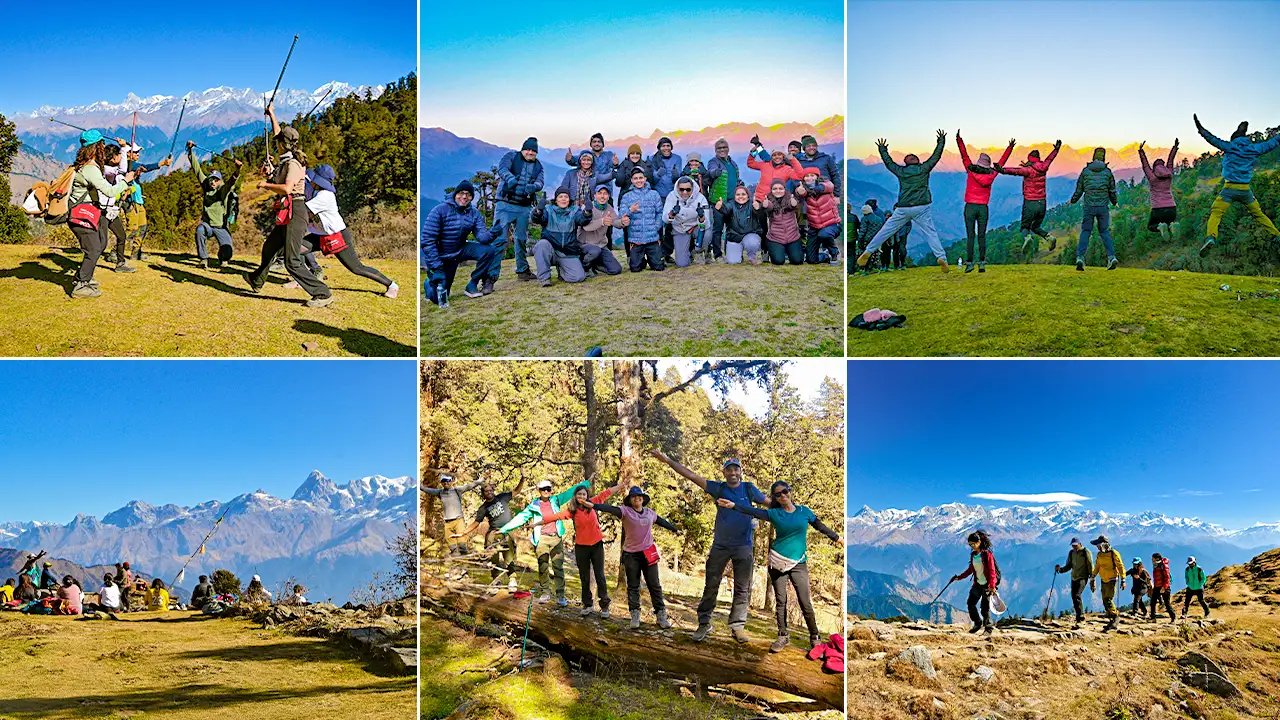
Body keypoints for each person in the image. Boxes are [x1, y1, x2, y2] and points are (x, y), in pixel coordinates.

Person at [649, 449, 767, 643]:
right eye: (729, 470)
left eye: (736, 469)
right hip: (720, 545)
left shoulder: (749, 489)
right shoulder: (718, 488)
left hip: (744, 546)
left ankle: (737, 626)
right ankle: (704, 623)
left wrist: (788, 505)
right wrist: (668, 460)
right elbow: (691, 475)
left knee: (742, 588)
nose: (733, 473)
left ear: (740, 471)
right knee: (711, 584)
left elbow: (769, 503)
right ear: (724, 473)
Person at [718, 480, 840, 651]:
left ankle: (815, 638)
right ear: (775, 497)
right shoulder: (774, 513)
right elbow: (752, 511)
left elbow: (820, 526)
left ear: (790, 491)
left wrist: (838, 538)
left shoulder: (804, 511)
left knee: (805, 602)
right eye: (778, 494)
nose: (783, 495)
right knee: (781, 601)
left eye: (785, 491)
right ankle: (782, 636)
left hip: (798, 563)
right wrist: (733, 505)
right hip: (777, 562)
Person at [245, 104, 333, 307]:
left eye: (278, 143)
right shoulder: (286, 156)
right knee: (269, 247)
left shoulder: (293, 164)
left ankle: (322, 293)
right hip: (289, 212)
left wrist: (266, 184)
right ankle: (256, 280)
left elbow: (287, 188)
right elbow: (278, 134)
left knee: (291, 260)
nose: (276, 144)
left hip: (295, 211)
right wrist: (272, 114)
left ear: (283, 145)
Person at [299, 165, 398, 297]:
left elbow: (303, 210)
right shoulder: (314, 189)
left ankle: (391, 285)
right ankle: (301, 279)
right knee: (295, 249)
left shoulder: (325, 196)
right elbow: (302, 182)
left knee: (356, 268)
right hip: (320, 234)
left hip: (338, 236)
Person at [857, 131, 950, 271]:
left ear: (905, 163)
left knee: (886, 230)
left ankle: (869, 251)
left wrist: (882, 149)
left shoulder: (901, 171)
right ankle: (941, 257)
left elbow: (889, 163)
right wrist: (941, 141)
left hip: (903, 207)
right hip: (922, 207)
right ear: (917, 161)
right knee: (931, 233)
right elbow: (936, 156)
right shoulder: (924, 169)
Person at [532, 480, 626, 616]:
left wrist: (621, 486)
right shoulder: (573, 510)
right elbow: (554, 517)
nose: (581, 497)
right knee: (584, 577)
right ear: (575, 497)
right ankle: (587, 605)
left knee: (600, 576)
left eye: (583, 494)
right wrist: (536, 524)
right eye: (579, 495)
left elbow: (607, 493)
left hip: (596, 545)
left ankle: (605, 606)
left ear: (587, 496)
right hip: (581, 547)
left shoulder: (594, 503)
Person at [592, 487, 678, 630]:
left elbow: (662, 521)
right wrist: (593, 505)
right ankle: (635, 614)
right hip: (631, 555)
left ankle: (661, 615)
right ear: (630, 500)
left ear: (643, 499)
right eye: (633, 497)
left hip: (648, 553)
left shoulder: (650, 513)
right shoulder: (625, 512)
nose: (637, 498)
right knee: (633, 585)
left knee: (654, 584)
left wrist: (674, 529)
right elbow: (609, 508)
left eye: (639, 496)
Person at [1194, 115, 1280, 256]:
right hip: (1245, 190)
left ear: (1233, 138)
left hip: (1229, 190)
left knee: (1216, 213)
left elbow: (1212, 139)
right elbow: (1272, 143)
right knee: (1259, 214)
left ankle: (1210, 237)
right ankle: (1276, 234)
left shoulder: (1230, 147)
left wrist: (1200, 128)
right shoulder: (1254, 148)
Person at [499, 479, 590, 606]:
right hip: (541, 538)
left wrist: (586, 483)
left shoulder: (556, 499)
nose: (546, 491)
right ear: (539, 491)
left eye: (548, 489)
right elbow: (520, 518)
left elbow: (571, 492)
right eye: (543, 489)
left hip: (556, 538)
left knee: (558, 567)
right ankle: (545, 592)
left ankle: (560, 595)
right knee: (543, 567)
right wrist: (504, 529)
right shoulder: (534, 505)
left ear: (551, 490)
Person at [66, 131, 135, 298]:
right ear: (96, 147)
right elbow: (110, 191)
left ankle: (84, 278)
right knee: (94, 248)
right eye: (102, 145)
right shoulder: (90, 169)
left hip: (82, 212)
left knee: (100, 244)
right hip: (81, 214)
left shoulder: (83, 165)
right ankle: (81, 285)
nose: (104, 148)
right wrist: (126, 181)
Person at [422, 180, 500, 304]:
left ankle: (472, 285)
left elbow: (482, 238)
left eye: (469, 194)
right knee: (440, 299)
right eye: (461, 193)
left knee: (488, 250)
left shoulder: (474, 213)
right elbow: (427, 241)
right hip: (442, 256)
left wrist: (494, 232)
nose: (464, 197)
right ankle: (428, 284)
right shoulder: (440, 210)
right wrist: (437, 267)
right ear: (455, 194)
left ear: (472, 197)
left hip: (460, 249)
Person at [955, 131, 1014, 273]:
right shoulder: (992, 175)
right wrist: (1010, 148)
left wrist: (959, 140)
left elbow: (964, 156)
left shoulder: (970, 170)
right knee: (982, 235)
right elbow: (1001, 163)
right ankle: (982, 263)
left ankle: (969, 263)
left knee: (970, 235)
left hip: (970, 206)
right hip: (983, 208)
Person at [994, 140, 1062, 255]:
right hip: (1042, 203)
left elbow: (1015, 171)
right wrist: (1056, 150)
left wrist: (1002, 170)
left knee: (1025, 227)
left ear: (1029, 159)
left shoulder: (1028, 170)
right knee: (1036, 227)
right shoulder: (1044, 166)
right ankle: (1049, 237)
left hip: (1030, 203)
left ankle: (1027, 238)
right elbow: (1049, 159)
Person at [493, 138, 546, 281]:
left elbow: (540, 181)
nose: (530, 152)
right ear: (522, 149)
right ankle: (490, 277)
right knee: (499, 240)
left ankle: (522, 271)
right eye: (528, 149)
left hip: (524, 206)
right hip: (505, 203)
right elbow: (502, 168)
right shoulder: (511, 157)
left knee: (521, 239)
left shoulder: (538, 166)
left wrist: (534, 187)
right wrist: (510, 179)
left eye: (533, 151)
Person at [457, 482, 524, 589]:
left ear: (493, 490)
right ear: (483, 493)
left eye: (491, 490)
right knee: (494, 558)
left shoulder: (502, 497)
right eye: (486, 491)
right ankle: (496, 581)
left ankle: (512, 579)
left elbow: (517, 491)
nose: (489, 492)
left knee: (510, 557)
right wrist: (464, 532)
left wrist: (523, 479)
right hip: (493, 533)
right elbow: (476, 523)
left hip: (507, 532)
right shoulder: (483, 508)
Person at [188, 141, 242, 269]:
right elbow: (197, 169)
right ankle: (203, 259)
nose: (213, 181)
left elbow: (231, 182)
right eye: (212, 179)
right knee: (199, 230)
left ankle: (223, 259)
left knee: (227, 250)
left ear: (220, 181)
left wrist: (238, 169)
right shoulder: (206, 185)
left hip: (221, 226)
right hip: (207, 224)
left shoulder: (222, 190)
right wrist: (190, 152)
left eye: (216, 180)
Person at [119, 142, 172, 262]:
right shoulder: (128, 165)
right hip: (131, 202)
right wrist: (162, 163)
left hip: (139, 201)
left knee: (142, 227)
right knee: (132, 229)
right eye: (136, 152)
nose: (138, 154)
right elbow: (145, 167)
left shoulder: (132, 165)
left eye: (138, 152)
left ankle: (136, 252)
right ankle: (116, 252)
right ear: (128, 154)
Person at [1070, 148, 1119, 271]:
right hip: (1103, 207)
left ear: (1093, 157)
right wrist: (1114, 202)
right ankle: (1111, 257)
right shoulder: (1107, 172)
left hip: (1089, 207)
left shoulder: (1085, 171)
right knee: (1104, 232)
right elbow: (1112, 190)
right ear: (1104, 158)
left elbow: (1079, 190)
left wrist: (1073, 200)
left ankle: (1080, 258)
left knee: (1086, 231)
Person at [532, 188, 589, 286]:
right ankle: (544, 279)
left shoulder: (575, 210)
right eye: (560, 196)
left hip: (567, 253)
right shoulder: (548, 210)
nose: (563, 199)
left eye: (566, 197)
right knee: (542, 244)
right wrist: (538, 211)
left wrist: (587, 212)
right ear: (556, 199)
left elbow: (582, 220)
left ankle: (562, 271)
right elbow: (538, 219)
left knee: (579, 277)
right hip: (551, 252)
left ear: (569, 199)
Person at [949, 530, 999, 635]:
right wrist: (959, 577)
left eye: (973, 544)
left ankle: (988, 629)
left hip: (987, 585)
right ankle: (977, 623)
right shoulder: (973, 555)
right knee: (970, 603)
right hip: (977, 584)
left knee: (984, 608)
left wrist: (992, 586)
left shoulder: (987, 555)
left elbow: (992, 572)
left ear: (979, 542)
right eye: (970, 544)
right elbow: (970, 570)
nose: (972, 546)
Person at [423, 473, 482, 556]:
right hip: (447, 521)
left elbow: (470, 486)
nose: (445, 483)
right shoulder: (440, 492)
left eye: (448, 481)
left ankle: (464, 556)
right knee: (450, 541)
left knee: (461, 540)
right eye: (443, 481)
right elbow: (426, 490)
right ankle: (455, 557)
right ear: (441, 482)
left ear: (451, 482)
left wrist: (481, 480)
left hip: (458, 520)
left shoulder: (457, 490)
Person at [618, 166, 664, 272]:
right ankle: (641, 259)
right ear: (632, 180)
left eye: (640, 178)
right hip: (635, 239)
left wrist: (656, 226)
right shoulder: (627, 196)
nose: (638, 181)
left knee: (658, 267)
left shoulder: (654, 194)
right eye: (635, 178)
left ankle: (652, 258)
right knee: (635, 269)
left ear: (645, 179)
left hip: (652, 237)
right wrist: (630, 210)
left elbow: (660, 213)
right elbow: (622, 216)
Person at [704, 139, 739, 262]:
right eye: (719, 148)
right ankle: (718, 254)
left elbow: (734, 178)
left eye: (724, 147)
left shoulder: (733, 163)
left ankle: (730, 252)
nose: (722, 150)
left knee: (731, 228)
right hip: (718, 201)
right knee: (717, 229)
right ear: (715, 150)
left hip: (732, 201)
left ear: (728, 148)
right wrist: (715, 172)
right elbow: (711, 171)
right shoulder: (713, 162)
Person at [662, 176, 709, 268]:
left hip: (695, 227)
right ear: (677, 188)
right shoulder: (671, 196)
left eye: (688, 189)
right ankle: (688, 252)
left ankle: (698, 252)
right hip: (680, 229)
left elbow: (707, 225)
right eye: (681, 189)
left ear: (693, 189)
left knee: (707, 233)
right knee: (682, 264)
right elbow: (664, 219)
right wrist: (672, 214)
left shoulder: (701, 198)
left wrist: (702, 217)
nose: (685, 192)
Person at [578, 185, 623, 277]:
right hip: (585, 245)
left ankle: (596, 265)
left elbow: (615, 222)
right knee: (595, 251)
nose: (602, 196)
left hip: (601, 246)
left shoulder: (608, 208)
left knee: (616, 269)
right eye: (600, 193)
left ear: (608, 196)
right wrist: (602, 221)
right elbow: (586, 227)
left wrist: (623, 222)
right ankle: (585, 267)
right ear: (594, 195)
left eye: (605, 194)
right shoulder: (587, 207)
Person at [797, 168, 840, 264]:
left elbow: (828, 186)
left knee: (824, 234)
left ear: (817, 176)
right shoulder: (803, 189)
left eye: (812, 175)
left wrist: (812, 190)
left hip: (831, 224)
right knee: (811, 260)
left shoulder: (826, 184)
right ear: (803, 179)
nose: (809, 178)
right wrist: (801, 192)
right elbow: (800, 192)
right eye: (807, 176)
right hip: (814, 227)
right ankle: (825, 257)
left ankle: (834, 252)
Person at [1138, 139, 1180, 237]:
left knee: (1151, 226)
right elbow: (1171, 160)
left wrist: (1141, 151)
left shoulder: (1152, 177)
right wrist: (1175, 147)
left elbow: (1145, 165)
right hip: (1171, 208)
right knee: (1169, 223)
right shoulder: (1169, 174)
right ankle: (1172, 225)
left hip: (1157, 209)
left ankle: (1160, 227)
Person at [715, 185, 766, 265]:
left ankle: (752, 257)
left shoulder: (752, 204)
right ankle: (738, 255)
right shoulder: (731, 204)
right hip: (734, 237)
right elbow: (726, 209)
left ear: (748, 196)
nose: (740, 197)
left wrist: (758, 208)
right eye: (738, 195)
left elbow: (758, 212)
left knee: (752, 242)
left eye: (743, 194)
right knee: (733, 262)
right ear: (734, 196)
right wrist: (720, 207)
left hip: (750, 236)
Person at [761, 179, 804, 265]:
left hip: (793, 237)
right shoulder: (769, 200)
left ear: (785, 189)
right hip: (775, 238)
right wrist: (765, 204)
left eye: (780, 188)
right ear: (771, 190)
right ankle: (772, 251)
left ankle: (791, 252)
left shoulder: (789, 198)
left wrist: (794, 203)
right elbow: (770, 206)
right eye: (775, 189)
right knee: (778, 261)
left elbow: (792, 204)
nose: (778, 191)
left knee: (797, 261)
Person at [1055, 537, 1094, 628]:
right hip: (1074, 577)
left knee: (1077, 595)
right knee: (1074, 596)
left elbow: (1090, 565)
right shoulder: (1071, 553)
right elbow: (1069, 566)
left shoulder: (1086, 552)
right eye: (1073, 545)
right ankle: (1078, 617)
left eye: (1075, 545)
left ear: (1080, 544)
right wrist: (1060, 570)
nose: (1074, 547)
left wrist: (1092, 579)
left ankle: (1081, 617)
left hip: (1083, 577)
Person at [1090, 535, 1125, 632]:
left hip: (1112, 579)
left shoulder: (1114, 553)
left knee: (1108, 599)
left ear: (1103, 545)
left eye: (1098, 545)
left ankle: (1115, 617)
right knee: (1105, 600)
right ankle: (1111, 620)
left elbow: (1120, 566)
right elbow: (1097, 566)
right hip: (1103, 579)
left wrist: (1123, 579)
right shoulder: (1099, 555)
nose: (1097, 547)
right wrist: (1093, 577)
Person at [797, 134, 842, 203]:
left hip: (826, 196)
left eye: (814, 145)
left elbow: (835, 175)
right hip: (807, 198)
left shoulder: (826, 158)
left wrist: (836, 195)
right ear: (804, 148)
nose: (812, 148)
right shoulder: (800, 161)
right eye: (808, 146)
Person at [855, 204, 884, 273]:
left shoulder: (864, 219)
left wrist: (860, 239)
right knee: (875, 254)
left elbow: (863, 231)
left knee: (867, 254)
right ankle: (875, 268)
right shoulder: (879, 219)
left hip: (867, 239)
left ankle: (867, 269)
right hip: (877, 239)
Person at [1150, 552, 1176, 623]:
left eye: (1153, 558)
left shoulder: (1164, 566)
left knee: (1167, 603)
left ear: (1157, 558)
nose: (1152, 560)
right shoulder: (1156, 565)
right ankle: (1153, 618)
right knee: (1152, 602)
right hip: (1157, 587)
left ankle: (1173, 617)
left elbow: (1167, 578)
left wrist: (1164, 587)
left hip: (1164, 588)